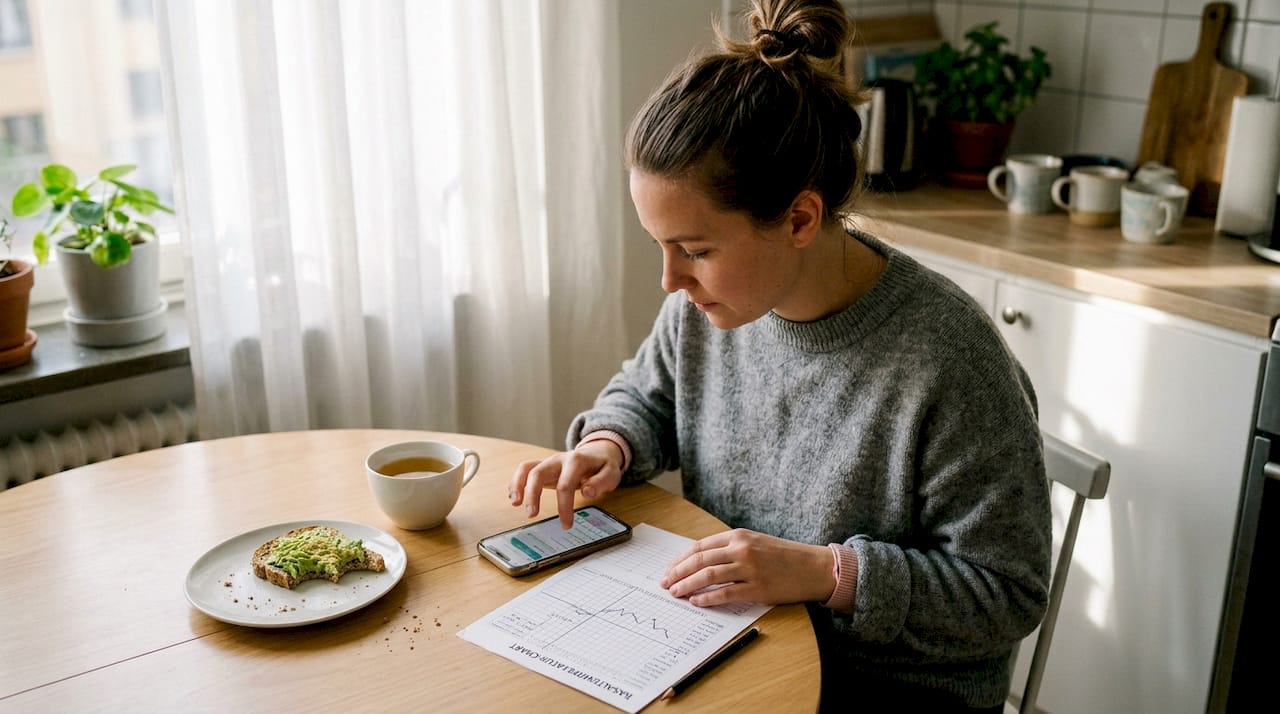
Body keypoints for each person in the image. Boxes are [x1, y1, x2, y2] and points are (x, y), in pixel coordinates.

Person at [508, 0, 1052, 711]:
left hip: (883, 688)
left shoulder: (950, 361)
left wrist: (828, 574)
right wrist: (612, 442)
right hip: (732, 647)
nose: (670, 281)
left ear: (800, 218)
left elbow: (1007, 593)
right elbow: (647, 394)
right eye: (660, 246)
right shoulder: (706, 308)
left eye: (695, 250)